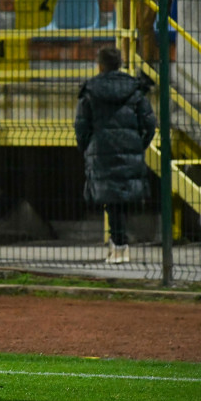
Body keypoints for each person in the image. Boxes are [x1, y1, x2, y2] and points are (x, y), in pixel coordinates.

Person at [74, 47, 157, 265]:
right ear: (120, 63)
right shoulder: (134, 89)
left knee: (111, 201)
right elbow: (149, 123)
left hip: (101, 151)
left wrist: (87, 148)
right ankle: (120, 244)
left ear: (100, 64)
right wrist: (139, 144)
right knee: (120, 200)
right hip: (129, 148)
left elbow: (81, 126)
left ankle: (118, 244)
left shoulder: (91, 90)